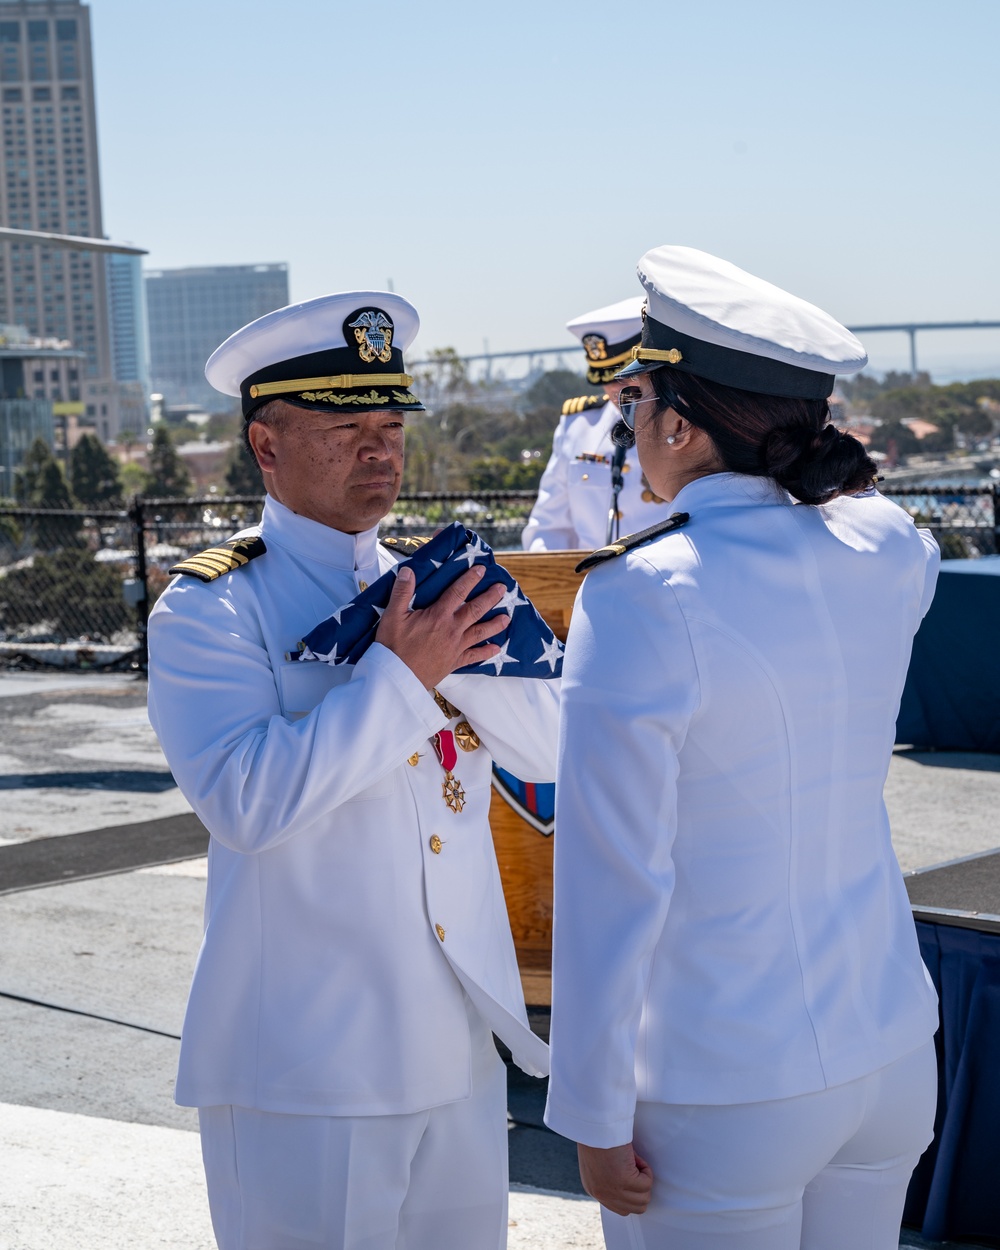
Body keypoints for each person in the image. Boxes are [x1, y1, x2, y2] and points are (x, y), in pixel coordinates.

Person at [545, 245, 940, 1250]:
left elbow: (610, 876)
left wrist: (587, 1110)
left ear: (678, 424)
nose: (625, 425)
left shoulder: (641, 595)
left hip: (721, 1081)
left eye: (635, 401)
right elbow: (864, 513)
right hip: (888, 1048)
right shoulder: (891, 547)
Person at [146, 291, 559, 1250]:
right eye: (346, 427)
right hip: (308, 1064)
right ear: (266, 445)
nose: (380, 448)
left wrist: (469, 656)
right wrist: (403, 674)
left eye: (390, 425)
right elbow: (249, 802)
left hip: (454, 1049)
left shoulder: (432, 582)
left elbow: (554, 756)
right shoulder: (211, 609)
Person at [521, 297, 676, 550]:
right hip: (590, 584)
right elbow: (549, 526)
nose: (616, 389)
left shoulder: (686, 422)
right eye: (607, 379)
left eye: (626, 375)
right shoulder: (578, 423)